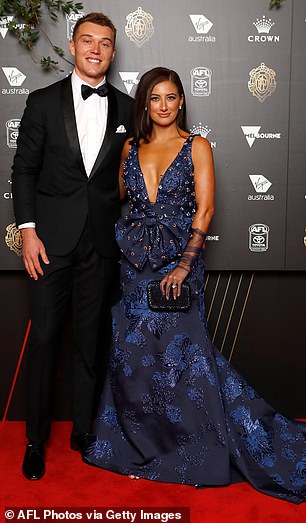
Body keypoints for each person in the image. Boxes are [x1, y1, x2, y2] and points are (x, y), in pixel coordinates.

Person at [83, 66, 306, 503]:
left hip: (177, 266)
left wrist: (185, 265)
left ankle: (197, 449)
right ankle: (139, 445)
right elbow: (116, 200)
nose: (163, 106)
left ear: (181, 101)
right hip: (134, 267)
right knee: (136, 356)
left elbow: (205, 210)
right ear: (144, 104)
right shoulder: (129, 146)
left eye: (171, 98)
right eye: (154, 99)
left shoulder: (196, 146)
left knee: (185, 356)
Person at [11, 12, 134, 480]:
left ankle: (84, 431)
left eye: (105, 43)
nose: (96, 49)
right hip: (49, 242)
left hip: (100, 245)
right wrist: (27, 230)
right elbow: (23, 170)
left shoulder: (125, 108)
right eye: (88, 41)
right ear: (73, 44)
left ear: (113, 51)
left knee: (90, 342)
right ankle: (34, 440)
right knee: (43, 340)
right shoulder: (42, 101)